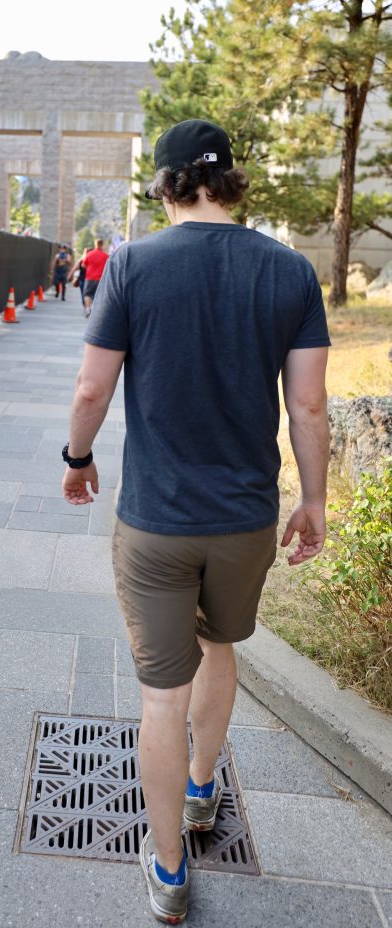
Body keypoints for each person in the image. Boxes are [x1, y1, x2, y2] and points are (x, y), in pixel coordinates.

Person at [61, 119, 330, 923]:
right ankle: (203, 787)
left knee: (159, 699)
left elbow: (91, 389)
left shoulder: (133, 264)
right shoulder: (289, 270)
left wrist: (77, 460)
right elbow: (308, 406)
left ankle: (170, 870)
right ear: (229, 179)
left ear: (166, 183)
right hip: (243, 517)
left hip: (155, 518)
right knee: (219, 648)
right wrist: (313, 500)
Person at [79, 237, 110, 317]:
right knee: (98, 295)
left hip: (90, 277)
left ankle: (88, 309)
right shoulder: (106, 256)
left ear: (95, 244)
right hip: (101, 279)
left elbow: (83, 265)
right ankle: (95, 310)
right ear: (102, 245)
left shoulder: (89, 254)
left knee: (87, 294)